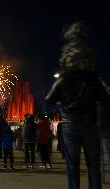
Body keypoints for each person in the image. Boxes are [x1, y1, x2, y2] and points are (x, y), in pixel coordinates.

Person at [45, 21, 109, 189]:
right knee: (93, 167)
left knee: (72, 167)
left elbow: (49, 100)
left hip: (70, 124)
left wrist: (61, 105)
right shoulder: (93, 79)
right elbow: (105, 99)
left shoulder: (63, 80)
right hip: (90, 124)